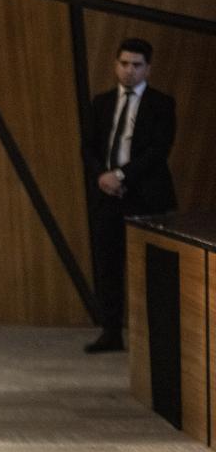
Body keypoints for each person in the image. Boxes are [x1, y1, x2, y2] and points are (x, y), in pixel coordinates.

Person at [82, 38, 176, 353]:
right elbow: (89, 146)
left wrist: (121, 175)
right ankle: (111, 331)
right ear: (115, 65)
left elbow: (158, 151)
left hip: (146, 196)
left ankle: (152, 336)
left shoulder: (162, 104)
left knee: (150, 267)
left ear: (148, 68)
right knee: (108, 264)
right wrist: (102, 176)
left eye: (136, 65)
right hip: (107, 195)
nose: (129, 71)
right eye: (124, 64)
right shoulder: (102, 102)